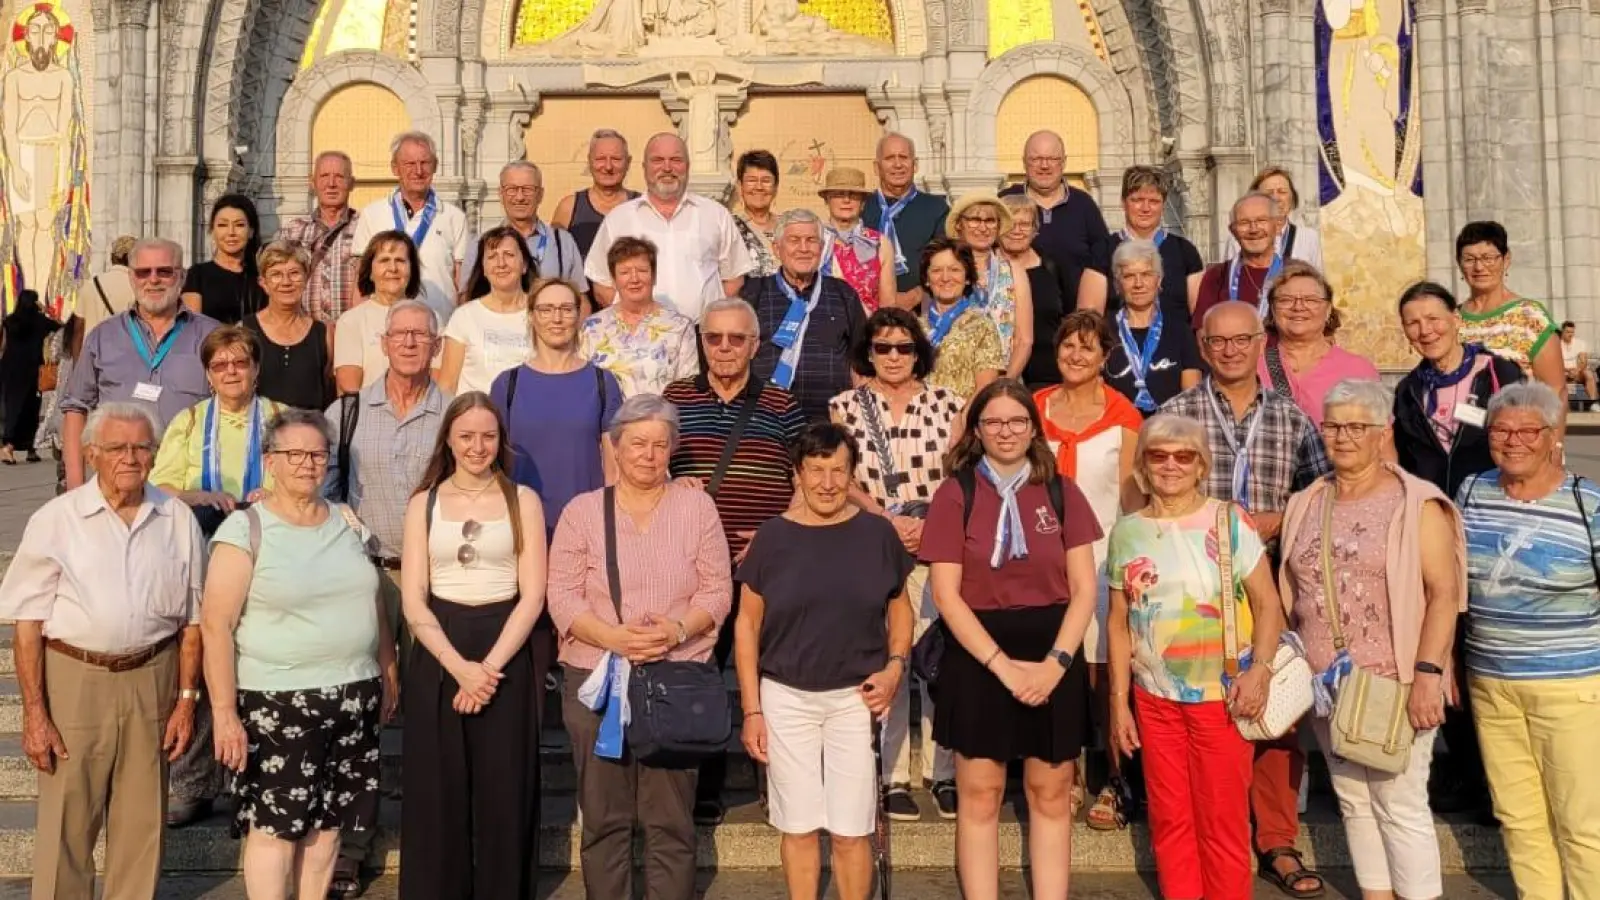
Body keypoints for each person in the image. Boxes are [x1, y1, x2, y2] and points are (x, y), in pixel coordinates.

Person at [1159, 300, 1330, 899]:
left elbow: (1321, 492)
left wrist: (1279, 516)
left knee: (1274, 708)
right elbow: (1150, 490)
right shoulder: (1176, 414)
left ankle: (1277, 840)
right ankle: (1216, 836)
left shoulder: (1291, 417)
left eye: (1242, 340)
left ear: (1262, 343)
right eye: (1218, 342)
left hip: (1267, 583)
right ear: (1203, 347)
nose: (1230, 350)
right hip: (1193, 589)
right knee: (1205, 713)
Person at [0, 403, 204, 900]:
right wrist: (34, 713)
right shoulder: (57, 519)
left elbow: (193, 623)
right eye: (116, 448)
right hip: (75, 677)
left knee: (142, 824)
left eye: (141, 447)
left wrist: (186, 701)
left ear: (154, 455)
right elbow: (27, 624)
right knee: (67, 820)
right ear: (91, 454)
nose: (130, 458)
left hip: (152, 676)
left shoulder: (176, 518)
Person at [1278, 379, 1465, 900]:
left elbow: (1443, 594)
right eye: (1333, 426)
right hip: (1328, 685)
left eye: (1357, 426)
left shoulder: (1415, 503)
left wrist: (1427, 675)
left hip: (1395, 680)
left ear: (1384, 431)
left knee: (1399, 804)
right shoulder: (1308, 500)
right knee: (1353, 801)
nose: (1343, 437)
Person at [202, 408, 398, 900]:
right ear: (270, 461)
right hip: (277, 701)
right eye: (294, 454)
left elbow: (374, 600)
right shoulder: (246, 529)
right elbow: (216, 625)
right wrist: (224, 712)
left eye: (317, 454)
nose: (308, 464)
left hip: (353, 695)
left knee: (330, 823)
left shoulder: (346, 521)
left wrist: (388, 667)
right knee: (275, 828)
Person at [918, 378, 1101, 899]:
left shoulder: (1062, 491)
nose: (1006, 431)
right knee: (980, 794)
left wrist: (1055, 663)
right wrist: (1003, 667)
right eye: (993, 421)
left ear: (1033, 429)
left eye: (1017, 421)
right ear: (976, 430)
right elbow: (946, 595)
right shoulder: (956, 494)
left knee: (1051, 792)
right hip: (979, 654)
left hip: (1053, 649)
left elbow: (1084, 589)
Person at [547, 394, 733, 900]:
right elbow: (561, 594)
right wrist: (612, 637)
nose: (648, 455)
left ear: (673, 448)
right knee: (604, 817)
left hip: (676, 679)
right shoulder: (583, 511)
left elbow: (717, 590)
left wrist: (676, 630)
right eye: (637, 444)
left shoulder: (697, 507)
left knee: (670, 820)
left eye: (659, 444)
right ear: (615, 446)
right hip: (597, 677)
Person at [1105, 413, 1285, 900]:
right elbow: (1118, 622)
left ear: (1201, 465)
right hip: (1154, 698)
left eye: (1183, 456)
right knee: (1169, 819)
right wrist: (1119, 703)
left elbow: (1268, 604)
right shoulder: (1127, 532)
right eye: (1158, 455)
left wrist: (1260, 670)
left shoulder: (1228, 521)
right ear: (1143, 464)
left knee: (1222, 820)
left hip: (1222, 697)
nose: (1171, 465)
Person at [734, 422, 914, 900]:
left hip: (856, 698)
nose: (828, 483)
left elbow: (900, 606)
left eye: (838, 471)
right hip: (786, 695)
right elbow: (747, 625)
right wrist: (751, 709)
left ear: (853, 474)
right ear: (798, 474)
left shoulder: (877, 534)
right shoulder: (772, 537)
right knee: (797, 825)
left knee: (852, 829)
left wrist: (895, 666)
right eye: (816, 471)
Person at [662, 296, 806, 824]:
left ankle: (779, 784)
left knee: (772, 676)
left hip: (765, 566)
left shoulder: (782, 403)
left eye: (736, 338)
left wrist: (771, 537)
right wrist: (674, 484)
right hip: (693, 568)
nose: (724, 348)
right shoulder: (674, 398)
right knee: (700, 675)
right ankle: (705, 787)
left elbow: (804, 482)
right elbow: (649, 468)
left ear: (755, 345)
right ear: (702, 343)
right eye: (714, 338)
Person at [399, 393, 549, 899]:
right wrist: (458, 667)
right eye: (466, 436)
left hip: (504, 647)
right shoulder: (424, 503)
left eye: (488, 436)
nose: (477, 447)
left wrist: (486, 669)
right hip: (440, 649)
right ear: (448, 438)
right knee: (437, 788)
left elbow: (532, 597)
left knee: (504, 787)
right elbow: (414, 599)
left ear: (500, 440)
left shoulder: (523, 500)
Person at [322, 297, 448, 894]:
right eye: (400, 334)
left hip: (435, 581)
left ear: (437, 345)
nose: (410, 343)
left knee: (432, 713)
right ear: (383, 343)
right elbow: (323, 494)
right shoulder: (345, 413)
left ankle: (431, 838)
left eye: (421, 335)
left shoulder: (454, 412)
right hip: (363, 575)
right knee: (357, 715)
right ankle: (349, 845)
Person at [1457, 382, 1600, 900]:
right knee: (1517, 816)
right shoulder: (1470, 492)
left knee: (1582, 822)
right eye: (1501, 430)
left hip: (1572, 687)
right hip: (1491, 684)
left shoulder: (1588, 503)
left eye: (1527, 431)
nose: (1513, 441)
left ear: (1552, 434)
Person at [829, 307, 965, 820]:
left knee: (937, 657)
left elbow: (961, 474)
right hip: (871, 538)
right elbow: (839, 476)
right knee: (889, 658)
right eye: (882, 347)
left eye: (903, 347)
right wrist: (885, 519)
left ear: (918, 352)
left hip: (936, 539)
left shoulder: (949, 403)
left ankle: (942, 770)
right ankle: (890, 775)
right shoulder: (844, 406)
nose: (892, 356)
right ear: (868, 352)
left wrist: (932, 525)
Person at [1032, 310, 1144, 831]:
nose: (1076, 355)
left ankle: (1116, 780)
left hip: (1101, 561)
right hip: (1041, 563)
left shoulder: (1124, 417)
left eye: (1087, 347)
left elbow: (1132, 501)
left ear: (1105, 357)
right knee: (1055, 669)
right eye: (1068, 346)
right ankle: (1067, 772)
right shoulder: (1033, 408)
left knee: (1104, 673)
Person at [60, 238, 221, 490]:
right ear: (131, 278)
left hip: (190, 486)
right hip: (117, 483)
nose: (153, 280)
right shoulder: (103, 337)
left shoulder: (213, 336)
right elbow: (75, 407)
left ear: (181, 277)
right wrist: (75, 486)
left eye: (164, 272)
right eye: (143, 272)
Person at [492, 277, 623, 537]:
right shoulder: (507, 385)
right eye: (546, 309)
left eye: (566, 309)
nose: (557, 318)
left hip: (587, 527)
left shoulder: (602, 382)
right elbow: (494, 465)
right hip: (523, 527)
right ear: (532, 316)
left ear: (579, 315)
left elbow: (614, 467)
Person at [584, 132, 751, 320]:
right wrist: (632, 320)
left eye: (676, 160)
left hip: (702, 331)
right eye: (658, 160)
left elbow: (734, 278)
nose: (667, 168)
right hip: (638, 332)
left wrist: (714, 320)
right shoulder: (618, 219)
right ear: (644, 167)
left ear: (687, 166)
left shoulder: (716, 215)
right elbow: (601, 283)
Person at [1393, 281, 1526, 499]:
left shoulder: (1499, 373)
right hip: (1431, 507)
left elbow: (1528, 439)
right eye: (1413, 323)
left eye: (1433, 319)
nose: (1425, 331)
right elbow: (1404, 459)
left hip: (1489, 502)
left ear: (1455, 319)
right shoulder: (1408, 391)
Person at [150, 325, 286, 534]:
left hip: (272, 530)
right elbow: (159, 489)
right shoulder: (188, 421)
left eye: (240, 363)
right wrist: (199, 497)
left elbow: (307, 480)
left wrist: (277, 497)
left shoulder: (283, 418)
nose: (231, 371)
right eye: (219, 366)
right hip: (202, 531)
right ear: (208, 374)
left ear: (256, 368)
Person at [745, 208, 867, 423]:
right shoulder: (754, 293)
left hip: (829, 422)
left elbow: (862, 361)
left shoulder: (843, 294)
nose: (804, 248)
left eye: (811, 240)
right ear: (777, 248)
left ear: (821, 248)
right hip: (764, 420)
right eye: (794, 240)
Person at [350, 131, 471, 326]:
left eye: (425, 163)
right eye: (409, 164)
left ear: (435, 166)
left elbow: (462, 286)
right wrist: (358, 325)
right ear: (395, 168)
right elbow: (360, 280)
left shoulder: (454, 217)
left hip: (438, 329)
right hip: (383, 330)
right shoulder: (372, 214)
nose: (418, 170)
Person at [999, 130, 1110, 313]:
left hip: (1073, 320)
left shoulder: (1083, 204)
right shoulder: (1005, 202)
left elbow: (1102, 260)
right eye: (1036, 159)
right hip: (1013, 316)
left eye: (1052, 159)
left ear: (1063, 162)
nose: (1044, 165)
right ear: (1024, 162)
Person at [1258, 261, 1380, 426]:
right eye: (1286, 300)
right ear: (1272, 310)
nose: (1298, 307)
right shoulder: (1252, 368)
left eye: (1311, 300)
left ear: (1328, 309)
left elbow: (1379, 436)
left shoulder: (1358, 371)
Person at [1084, 166, 1206, 331]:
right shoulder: (1102, 251)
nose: (1146, 208)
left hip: (1175, 343)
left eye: (1154, 201)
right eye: (1137, 200)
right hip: (1117, 343)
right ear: (1123, 202)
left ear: (1163, 205)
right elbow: (1089, 318)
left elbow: (1200, 318)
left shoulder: (1184, 251)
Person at [579, 236, 700, 396]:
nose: (634, 279)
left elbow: (687, 390)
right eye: (625, 272)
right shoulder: (592, 327)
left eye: (642, 271)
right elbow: (582, 386)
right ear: (614, 280)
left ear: (654, 276)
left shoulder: (680, 327)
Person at [1455, 220, 1565, 393]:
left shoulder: (1530, 317)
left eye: (1488, 258)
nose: (1479, 267)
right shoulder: (1451, 319)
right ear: (1459, 264)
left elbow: (1556, 391)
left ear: (1506, 260)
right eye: (1469, 259)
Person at [457, 161, 588, 297]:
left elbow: (581, 298)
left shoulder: (563, 242)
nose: (520, 197)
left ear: (540, 195)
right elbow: (466, 297)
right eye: (512, 189)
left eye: (527, 189)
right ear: (501, 194)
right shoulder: (481, 244)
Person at [1103, 239, 1202, 412]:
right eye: (1129, 276)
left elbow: (1191, 398)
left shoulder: (1180, 331)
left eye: (1146, 274)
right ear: (1117, 284)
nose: (1138, 284)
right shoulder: (1103, 331)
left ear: (1159, 280)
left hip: (1169, 425)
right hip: (1117, 425)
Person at [948, 194, 1034, 379]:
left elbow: (1024, 340)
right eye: (974, 220)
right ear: (959, 224)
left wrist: (1004, 384)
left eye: (990, 221)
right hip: (951, 380)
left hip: (1003, 380)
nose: (983, 227)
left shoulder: (1014, 271)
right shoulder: (944, 269)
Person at [442, 226, 536, 395]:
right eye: (492, 257)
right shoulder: (464, 317)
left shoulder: (542, 314)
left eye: (509, 255)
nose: (501, 263)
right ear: (484, 269)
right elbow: (447, 385)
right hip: (475, 410)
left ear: (524, 265)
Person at [242, 241, 334, 411]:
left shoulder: (323, 333)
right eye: (276, 274)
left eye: (294, 273)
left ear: (306, 278)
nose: (286, 282)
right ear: (263, 282)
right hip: (261, 425)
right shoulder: (244, 331)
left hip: (310, 426)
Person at [862, 133, 950, 310]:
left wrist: (916, 295)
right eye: (889, 158)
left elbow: (946, 261)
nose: (898, 164)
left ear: (915, 164)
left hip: (921, 308)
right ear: (876, 167)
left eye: (903, 157)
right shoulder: (862, 208)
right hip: (867, 307)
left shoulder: (936, 208)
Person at [334, 231, 428, 393]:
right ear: (370, 272)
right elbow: (349, 386)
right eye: (384, 260)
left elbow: (437, 381)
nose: (393, 268)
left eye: (400, 261)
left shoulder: (430, 320)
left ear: (412, 270)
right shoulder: (351, 321)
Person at [276, 150, 362, 324]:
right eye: (324, 176)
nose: (331, 184)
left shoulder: (365, 227)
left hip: (352, 331)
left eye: (339, 177)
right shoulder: (293, 231)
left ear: (351, 183)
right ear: (312, 182)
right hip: (303, 332)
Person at [919, 239, 1005, 399]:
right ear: (926, 279)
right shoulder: (913, 329)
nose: (945, 278)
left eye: (954, 270)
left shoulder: (982, 326)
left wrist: (963, 414)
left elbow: (985, 389)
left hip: (965, 412)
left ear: (967, 278)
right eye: (937, 270)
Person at [999, 196, 1066, 389]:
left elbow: (1069, 314)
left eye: (1024, 224)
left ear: (1035, 229)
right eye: (1010, 224)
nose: (1016, 230)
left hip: (1047, 375)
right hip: (1001, 372)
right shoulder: (987, 270)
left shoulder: (1052, 266)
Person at [1194, 192, 1287, 327]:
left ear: (1277, 226)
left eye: (1261, 220)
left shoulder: (1296, 273)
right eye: (1244, 223)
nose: (1253, 229)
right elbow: (1203, 329)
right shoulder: (1217, 276)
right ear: (1233, 231)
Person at [816, 167, 897, 314]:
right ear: (827, 200)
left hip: (866, 325)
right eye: (839, 194)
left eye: (853, 195)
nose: (846, 200)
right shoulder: (814, 240)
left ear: (863, 202)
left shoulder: (880, 244)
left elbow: (888, 306)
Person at [551, 128, 640, 259]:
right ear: (589, 161)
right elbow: (554, 258)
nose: (608, 167)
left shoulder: (642, 205)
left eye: (616, 159)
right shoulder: (569, 207)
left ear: (628, 162)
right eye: (600, 159)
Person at [182, 193, 267, 324]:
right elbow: (192, 327)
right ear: (212, 231)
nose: (231, 232)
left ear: (251, 231)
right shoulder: (197, 275)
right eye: (222, 225)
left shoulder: (263, 276)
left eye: (239, 225)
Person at [1223, 166, 1324, 270]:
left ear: (1292, 197)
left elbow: (1318, 278)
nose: (1276, 198)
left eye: (1282, 192)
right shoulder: (1239, 239)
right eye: (1269, 193)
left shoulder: (1309, 238)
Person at [0, 289, 61, 463]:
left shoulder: (9, 321)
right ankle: (30, 449)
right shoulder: (41, 321)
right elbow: (62, 325)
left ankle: (9, 447)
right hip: (31, 370)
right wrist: (46, 311)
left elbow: (3, 345)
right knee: (31, 409)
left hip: (10, 370)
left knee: (13, 408)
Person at [71, 234, 136, 359]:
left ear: (112, 257)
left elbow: (78, 330)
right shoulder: (137, 289)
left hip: (91, 358)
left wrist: (77, 366)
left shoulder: (90, 285)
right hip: (122, 360)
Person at [733, 149, 782, 278]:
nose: (759, 187)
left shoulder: (789, 226)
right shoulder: (730, 228)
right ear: (740, 186)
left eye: (766, 181)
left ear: (775, 187)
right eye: (751, 180)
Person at [1559, 320, 1597, 409]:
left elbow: (1583, 361)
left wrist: (1577, 370)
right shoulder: (1557, 344)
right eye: (1567, 332)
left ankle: (1593, 403)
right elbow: (1554, 362)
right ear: (1562, 332)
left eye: (1572, 332)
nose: (1570, 334)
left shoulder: (1580, 343)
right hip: (1561, 372)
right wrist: (1567, 370)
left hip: (1576, 372)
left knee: (1588, 374)